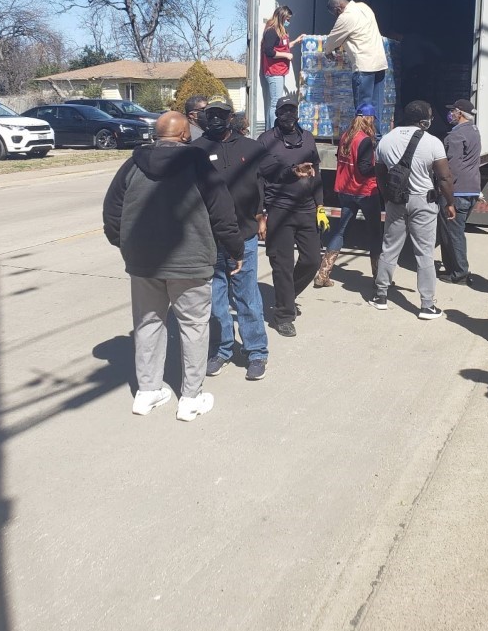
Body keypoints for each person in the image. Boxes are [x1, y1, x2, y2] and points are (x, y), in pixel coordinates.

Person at [102, 111, 244, 421]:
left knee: (148, 324)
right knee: (194, 327)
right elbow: (222, 213)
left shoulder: (132, 165)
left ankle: (148, 392)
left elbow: (112, 213)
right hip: (190, 262)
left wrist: (127, 247)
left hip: (143, 263)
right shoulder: (197, 164)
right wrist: (235, 250)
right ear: (184, 136)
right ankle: (190, 399)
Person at [192, 96, 315, 377]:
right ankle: (222, 349)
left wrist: (293, 171)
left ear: (230, 117)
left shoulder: (250, 147)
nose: (215, 119)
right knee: (216, 300)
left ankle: (256, 352)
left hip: (243, 234)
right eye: (210, 114)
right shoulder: (196, 150)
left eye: (221, 114)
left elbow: (271, 172)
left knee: (247, 296)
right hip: (209, 237)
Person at [369, 100, 456, 319]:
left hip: (395, 200)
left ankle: (381, 295)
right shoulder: (432, 142)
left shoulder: (385, 141)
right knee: (424, 252)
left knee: (390, 247)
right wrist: (450, 202)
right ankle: (427, 305)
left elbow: (379, 173)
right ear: (424, 121)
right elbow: (444, 177)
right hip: (423, 202)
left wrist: (387, 195)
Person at [259, 96, 325, 336]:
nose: (288, 115)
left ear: (298, 112)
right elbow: (260, 176)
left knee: (312, 261)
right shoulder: (266, 140)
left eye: (292, 110)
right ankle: (284, 315)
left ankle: (286, 296)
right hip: (279, 209)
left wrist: (320, 205)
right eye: (284, 111)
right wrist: (261, 214)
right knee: (282, 264)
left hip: (306, 208)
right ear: (276, 113)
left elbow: (316, 173)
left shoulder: (307, 138)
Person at [314, 102, 382, 288]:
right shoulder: (365, 141)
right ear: (369, 119)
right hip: (365, 191)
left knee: (340, 231)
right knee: (375, 234)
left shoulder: (345, 136)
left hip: (345, 190)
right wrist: (381, 170)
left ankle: (323, 274)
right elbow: (365, 168)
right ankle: (379, 279)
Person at [324, 0, 388, 122]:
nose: (337, 17)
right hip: (380, 64)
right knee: (376, 108)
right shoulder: (364, 7)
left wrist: (327, 51)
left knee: (363, 108)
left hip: (364, 67)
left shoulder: (346, 17)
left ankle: (363, 138)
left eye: (335, 14)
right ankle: (377, 138)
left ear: (338, 9)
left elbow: (332, 39)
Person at [438, 98, 482, 284]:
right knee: (454, 231)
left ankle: (460, 273)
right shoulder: (474, 130)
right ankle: (452, 268)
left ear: (460, 113)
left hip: (457, 192)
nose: (451, 114)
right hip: (472, 189)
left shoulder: (455, 136)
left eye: (453, 111)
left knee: (453, 233)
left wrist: (446, 195)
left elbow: (451, 169)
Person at [261, 5, 304, 130]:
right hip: (273, 72)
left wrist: (295, 42)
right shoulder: (271, 31)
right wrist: (286, 55)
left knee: (276, 101)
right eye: (287, 19)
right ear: (281, 17)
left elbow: (282, 47)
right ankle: (272, 130)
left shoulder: (281, 32)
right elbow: (269, 51)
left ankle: (273, 129)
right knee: (275, 103)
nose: (288, 22)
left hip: (280, 71)